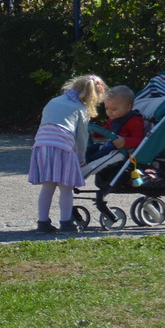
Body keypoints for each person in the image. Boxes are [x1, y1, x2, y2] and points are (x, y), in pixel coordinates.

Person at [29, 74, 102, 233]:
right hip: (63, 147)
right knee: (66, 187)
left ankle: (43, 223)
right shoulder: (80, 108)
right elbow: (82, 137)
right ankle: (66, 222)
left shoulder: (53, 101)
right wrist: (81, 158)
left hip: (41, 145)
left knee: (47, 187)